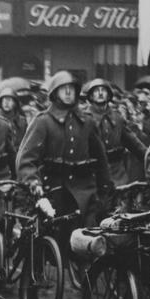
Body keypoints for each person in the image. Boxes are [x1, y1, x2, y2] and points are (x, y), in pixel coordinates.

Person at [17, 71, 112, 237]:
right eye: (63, 89)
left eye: (72, 89)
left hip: (85, 190)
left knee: (91, 241)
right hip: (54, 190)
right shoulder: (43, 122)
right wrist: (34, 184)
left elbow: (101, 160)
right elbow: (26, 159)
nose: (68, 93)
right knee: (42, 239)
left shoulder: (86, 122)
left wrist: (105, 190)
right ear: (55, 93)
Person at [83, 78, 146, 186]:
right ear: (91, 96)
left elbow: (136, 146)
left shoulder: (117, 119)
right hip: (92, 175)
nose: (100, 93)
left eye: (103, 90)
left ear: (108, 95)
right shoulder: (82, 119)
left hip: (117, 175)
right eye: (96, 91)